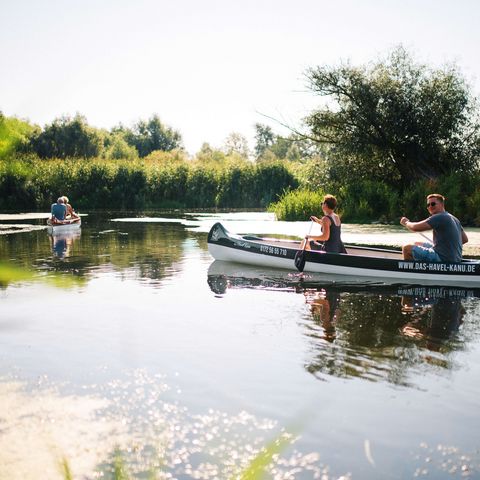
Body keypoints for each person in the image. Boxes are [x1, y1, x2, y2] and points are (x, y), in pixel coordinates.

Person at [400, 193, 468, 262]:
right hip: (454, 258)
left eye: (433, 204)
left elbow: (415, 228)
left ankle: (413, 272)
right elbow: (465, 239)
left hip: (442, 259)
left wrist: (406, 223)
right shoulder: (454, 218)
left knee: (406, 248)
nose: (430, 206)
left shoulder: (439, 216)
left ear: (442, 205)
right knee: (416, 243)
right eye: (428, 205)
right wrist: (446, 245)